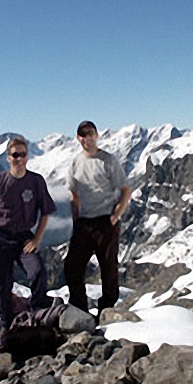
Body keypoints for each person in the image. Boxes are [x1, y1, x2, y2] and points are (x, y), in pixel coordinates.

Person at [0, 137, 57, 331]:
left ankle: (37, 314)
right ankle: (5, 323)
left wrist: (37, 239)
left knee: (37, 272)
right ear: (8, 157)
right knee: (1, 284)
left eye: (23, 154)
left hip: (24, 238)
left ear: (28, 157)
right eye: (15, 155)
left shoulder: (36, 182)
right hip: (0, 238)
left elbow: (46, 211)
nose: (19, 159)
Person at [64, 121, 131, 318]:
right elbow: (73, 194)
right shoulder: (76, 162)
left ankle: (106, 312)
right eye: (83, 135)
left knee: (108, 270)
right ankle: (80, 310)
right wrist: (76, 221)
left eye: (90, 134)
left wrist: (115, 216)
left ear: (97, 136)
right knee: (72, 268)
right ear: (78, 138)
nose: (87, 138)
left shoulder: (108, 160)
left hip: (105, 222)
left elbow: (126, 190)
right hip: (84, 223)